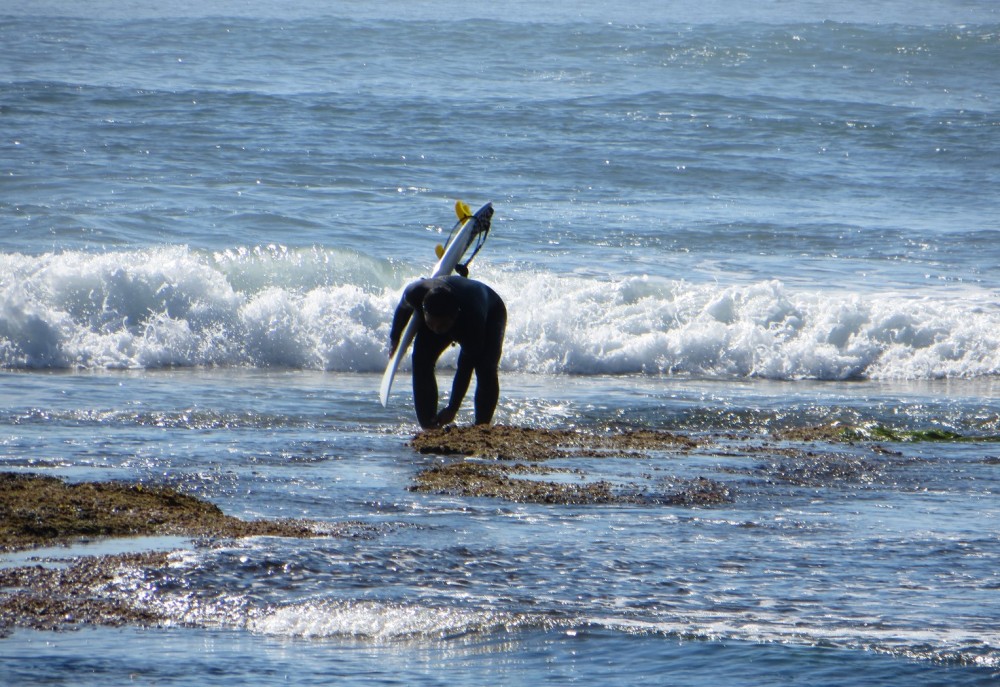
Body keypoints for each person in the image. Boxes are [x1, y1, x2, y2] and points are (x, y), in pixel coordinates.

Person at [389, 275, 506, 429]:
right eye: (432, 323)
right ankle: (429, 424)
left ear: (454, 316)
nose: (437, 329)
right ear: (424, 311)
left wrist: (453, 407)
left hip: (490, 310)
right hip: (443, 306)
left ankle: (482, 426)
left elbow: (465, 368)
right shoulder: (414, 293)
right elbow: (403, 308)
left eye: (442, 325)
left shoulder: (472, 321)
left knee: (485, 368)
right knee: (421, 358)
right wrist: (395, 337)